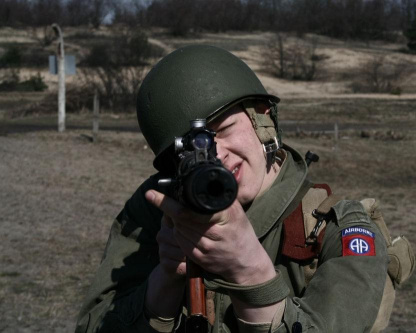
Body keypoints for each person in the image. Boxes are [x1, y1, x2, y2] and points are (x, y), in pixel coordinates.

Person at [76, 45, 389, 332]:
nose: (215, 156)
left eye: (222, 130)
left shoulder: (338, 228)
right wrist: (164, 282)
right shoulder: (154, 211)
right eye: (187, 151)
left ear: (262, 119)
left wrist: (252, 275)